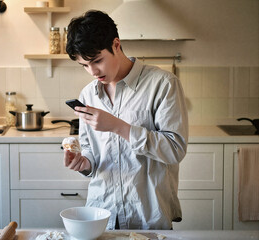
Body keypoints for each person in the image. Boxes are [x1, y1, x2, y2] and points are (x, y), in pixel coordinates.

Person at [63, 10, 189, 230]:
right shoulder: (88, 95)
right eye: (84, 65)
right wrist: (85, 163)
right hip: (101, 215)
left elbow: (175, 149)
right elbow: (89, 149)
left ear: (116, 44)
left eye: (97, 60)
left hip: (149, 215)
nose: (92, 71)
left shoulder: (163, 84)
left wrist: (119, 127)